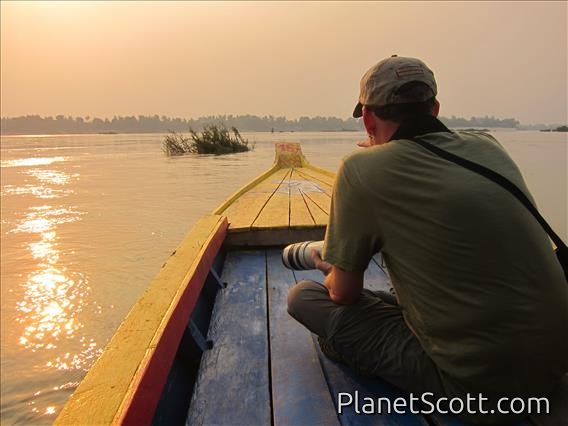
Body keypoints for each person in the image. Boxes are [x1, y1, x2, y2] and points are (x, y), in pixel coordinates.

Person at [287, 55, 568, 424]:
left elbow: (343, 294)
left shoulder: (361, 170)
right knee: (395, 302)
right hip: (554, 364)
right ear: (435, 109)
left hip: (480, 392)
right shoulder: (488, 146)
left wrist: (329, 266)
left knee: (304, 298)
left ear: (368, 119)